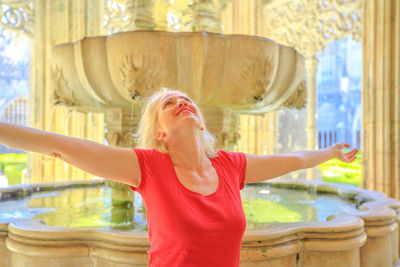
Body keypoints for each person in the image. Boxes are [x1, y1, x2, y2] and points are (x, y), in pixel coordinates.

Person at [0, 88, 358, 267]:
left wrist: (329, 153)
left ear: (200, 121)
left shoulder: (230, 166)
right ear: (159, 133)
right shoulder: (148, 167)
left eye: (187, 100)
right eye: (168, 104)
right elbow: (58, 144)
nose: (181, 103)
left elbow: (292, 158)